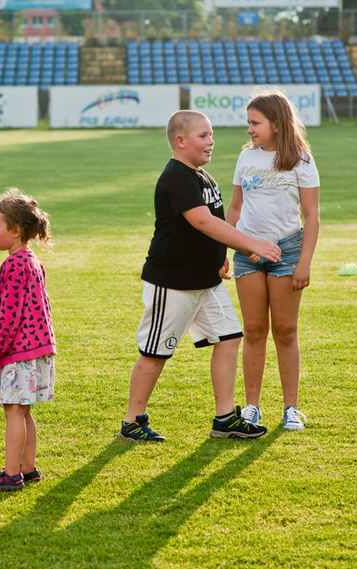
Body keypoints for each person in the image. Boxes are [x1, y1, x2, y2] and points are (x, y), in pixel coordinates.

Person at [119, 110, 283, 443]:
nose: (211, 142)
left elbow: (216, 225)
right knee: (155, 352)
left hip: (204, 280)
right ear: (180, 141)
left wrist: (223, 255)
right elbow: (203, 222)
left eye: (211, 135)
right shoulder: (177, 176)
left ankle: (224, 419)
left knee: (229, 336)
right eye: (203, 136)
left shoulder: (203, 177)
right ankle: (132, 422)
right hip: (173, 282)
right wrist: (254, 244)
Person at [226, 90, 320, 431]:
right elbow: (234, 209)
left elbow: (311, 216)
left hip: (287, 253)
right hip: (247, 252)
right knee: (253, 330)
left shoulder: (302, 160)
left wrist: (304, 262)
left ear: (277, 125)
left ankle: (291, 408)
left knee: (285, 330)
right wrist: (226, 249)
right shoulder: (246, 158)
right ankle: (252, 407)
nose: (249, 130)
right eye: (249, 123)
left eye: (255, 123)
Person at [0, 188, 56, 492]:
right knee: (23, 410)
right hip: (37, 348)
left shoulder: (14, 265)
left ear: (17, 230)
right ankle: (28, 467)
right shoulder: (30, 260)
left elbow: (10, 315)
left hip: (21, 350)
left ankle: (11, 475)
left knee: (13, 410)